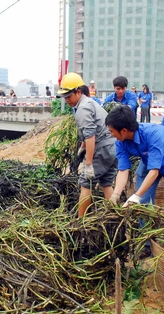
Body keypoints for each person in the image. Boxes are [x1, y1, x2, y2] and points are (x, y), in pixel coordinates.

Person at [107, 105, 164, 209]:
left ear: (124, 130)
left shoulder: (153, 134)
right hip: (148, 161)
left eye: (112, 131)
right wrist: (116, 194)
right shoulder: (121, 142)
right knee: (142, 204)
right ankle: (144, 224)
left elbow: (154, 171)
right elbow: (123, 170)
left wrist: (136, 195)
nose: (111, 134)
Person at [57, 72, 117, 218]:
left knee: (86, 182)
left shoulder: (82, 108)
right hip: (113, 148)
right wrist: (83, 146)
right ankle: (117, 216)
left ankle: (80, 221)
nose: (67, 100)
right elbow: (90, 131)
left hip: (101, 148)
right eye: (65, 97)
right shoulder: (89, 103)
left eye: (69, 96)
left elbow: (91, 136)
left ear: (78, 92)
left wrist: (88, 163)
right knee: (106, 183)